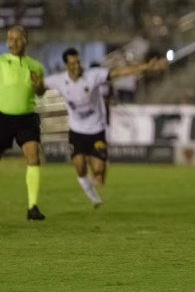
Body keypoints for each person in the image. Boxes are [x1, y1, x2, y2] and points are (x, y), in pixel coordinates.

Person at [30, 48, 168, 207]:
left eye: (78, 62)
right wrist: (37, 86)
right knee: (79, 166)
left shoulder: (93, 75)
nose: (77, 66)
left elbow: (119, 72)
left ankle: (97, 163)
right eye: (73, 63)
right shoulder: (59, 80)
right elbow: (41, 90)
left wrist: (146, 67)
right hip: (77, 131)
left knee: (98, 171)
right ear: (66, 65)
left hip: (96, 130)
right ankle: (94, 199)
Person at [0, 25, 47, 221]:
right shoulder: (1, 62)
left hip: (27, 118)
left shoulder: (35, 66)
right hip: (2, 117)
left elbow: (40, 92)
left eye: (17, 38)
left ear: (25, 40)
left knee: (33, 158)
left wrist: (39, 86)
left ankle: (32, 207)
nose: (12, 42)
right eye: (10, 38)